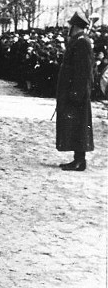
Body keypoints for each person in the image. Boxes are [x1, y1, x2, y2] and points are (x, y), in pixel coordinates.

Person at [56, 12, 94, 171]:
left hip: (77, 93)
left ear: (75, 26)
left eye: (70, 25)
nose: (68, 28)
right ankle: (77, 159)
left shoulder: (82, 42)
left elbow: (83, 71)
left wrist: (76, 93)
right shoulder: (78, 41)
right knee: (74, 125)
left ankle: (80, 160)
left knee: (79, 126)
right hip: (73, 91)